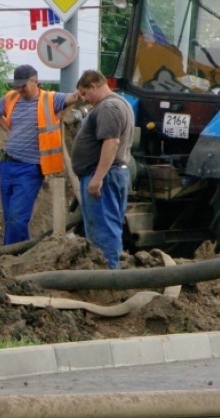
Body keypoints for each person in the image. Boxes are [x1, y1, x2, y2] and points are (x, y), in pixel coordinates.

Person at [0, 64, 80, 245]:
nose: (20, 89)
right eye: (17, 85)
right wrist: (7, 128)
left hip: (30, 168)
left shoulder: (50, 99)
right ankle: (22, 252)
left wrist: (70, 105)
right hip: (7, 165)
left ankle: (10, 253)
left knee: (16, 218)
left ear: (35, 81)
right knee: (10, 218)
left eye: (23, 85)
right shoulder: (11, 98)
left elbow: (74, 97)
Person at [69, 69, 134, 269]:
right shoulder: (119, 103)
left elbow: (111, 142)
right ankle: (108, 275)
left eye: (85, 94)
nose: (84, 99)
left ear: (94, 86)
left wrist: (97, 178)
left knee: (103, 231)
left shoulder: (109, 107)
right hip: (110, 174)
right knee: (106, 228)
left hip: (104, 177)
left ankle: (108, 277)